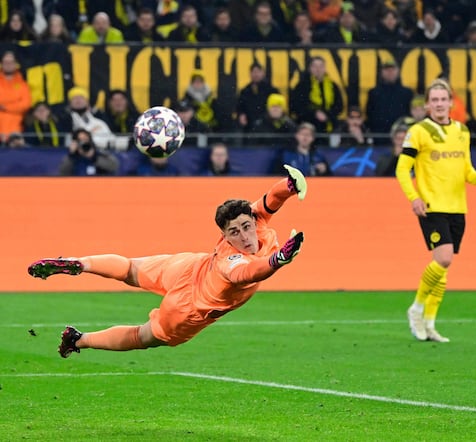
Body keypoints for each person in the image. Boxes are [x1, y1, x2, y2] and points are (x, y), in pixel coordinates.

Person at [28, 166, 308, 358]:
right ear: (224, 235)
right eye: (234, 232)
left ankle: (79, 263)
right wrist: (278, 258)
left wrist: (288, 186)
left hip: (188, 267)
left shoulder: (255, 219)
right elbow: (249, 272)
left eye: (246, 226)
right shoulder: (230, 262)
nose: (245, 236)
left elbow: (270, 201)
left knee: (129, 268)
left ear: (251, 220)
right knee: (143, 337)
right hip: (190, 307)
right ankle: (80, 339)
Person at [397, 78, 476, 343]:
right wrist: (413, 197)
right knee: (444, 258)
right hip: (431, 206)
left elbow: (466, 170)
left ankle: (430, 323)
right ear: (428, 104)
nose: (439, 104)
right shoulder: (418, 131)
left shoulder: (462, 131)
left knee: (444, 265)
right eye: (435, 100)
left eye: (443, 99)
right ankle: (416, 309)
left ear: (451, 102)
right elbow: (402, 169)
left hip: (457, 207)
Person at [0, 50, 31, 143]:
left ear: (16, 64)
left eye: (11, 62)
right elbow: (20, 105)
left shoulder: (23, 85)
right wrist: (15, 104)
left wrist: (4, 107)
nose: (8, 65)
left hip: (16, 132)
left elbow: (26, 105)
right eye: (5, 62)